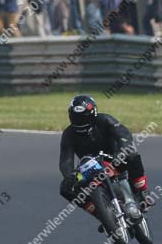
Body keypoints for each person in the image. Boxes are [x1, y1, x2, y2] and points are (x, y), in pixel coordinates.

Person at [59, 95, 153, 225]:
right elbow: (65, 160)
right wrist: (70, 175)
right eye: (76, 117)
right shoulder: (68, 134)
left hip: (114, 158)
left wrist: (122, 150)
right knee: (66, 188)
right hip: (89, 168)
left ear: (93, 113)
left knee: (132, 155)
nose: (80, 120)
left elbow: (124, 134)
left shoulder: (105, 120)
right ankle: (99, 214)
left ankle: (143, 192)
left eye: (84, 116)